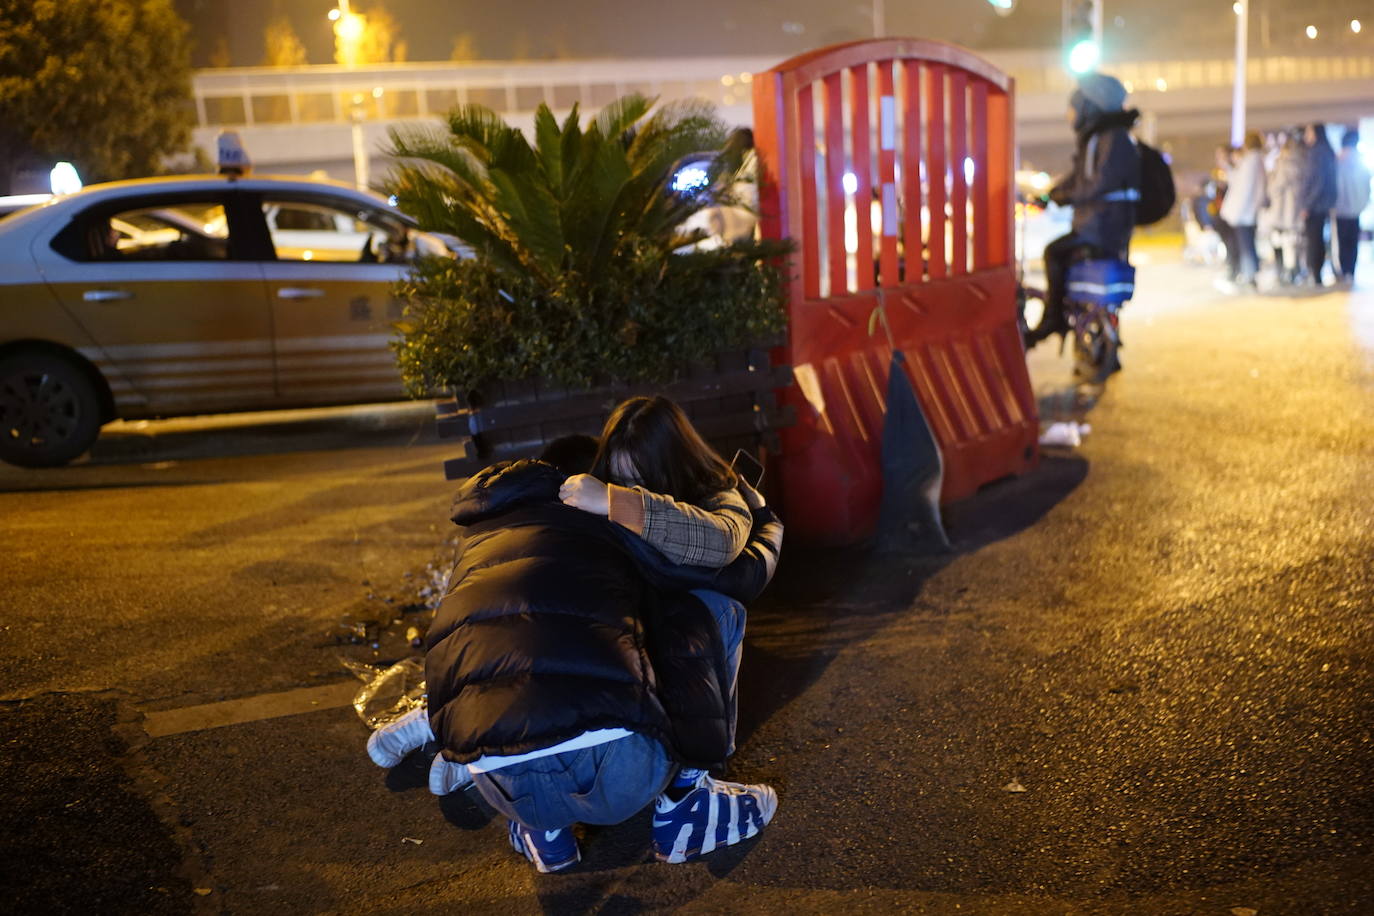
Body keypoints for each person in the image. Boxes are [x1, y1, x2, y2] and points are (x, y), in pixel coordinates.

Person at [366, 433, 783, 873]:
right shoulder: (601, 516)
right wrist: (762, 515)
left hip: (502, 789)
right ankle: (687, 808)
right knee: (711, 610)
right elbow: (731, 577)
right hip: (616, 780)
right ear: (587, 481)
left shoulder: (476, 540)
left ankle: (545, 835)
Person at [1027, 72, 1142, 347]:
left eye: (1073, 108)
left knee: (1053, 252)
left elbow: (1097, 183)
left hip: (1104, 226)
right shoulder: (1099, 138)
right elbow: (1079, 177)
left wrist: (1066, 197)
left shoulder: (1111, 139)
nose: (1070, 115)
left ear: (1089, 108)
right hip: (1101, 223)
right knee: (1074, 262)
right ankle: (1094, 333)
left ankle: (1053, 319)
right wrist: (1049, 195)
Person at [1219, 131, 1267, 291]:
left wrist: (1238, 210)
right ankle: (1250, 274)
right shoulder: (1254, 161)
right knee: (1247, 243)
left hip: (1244, 212)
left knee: (1246, 244)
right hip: (1247, 211)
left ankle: (1250, 275)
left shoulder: (1251, 161)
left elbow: (1244, 188)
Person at [1264, 130, 1306, 285]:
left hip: (1282, 210)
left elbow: (1275, 187)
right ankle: (1295, 270)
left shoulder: (1283, 162)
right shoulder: (1303, 161)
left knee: (1281, 241)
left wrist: (1270, 182)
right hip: (1295, 209)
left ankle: (1284, 272)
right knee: (1294, 242)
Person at [1299, 123, 1338, 287]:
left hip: (1315, 205)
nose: (1306, 136)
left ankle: (1315, 273)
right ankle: (1316, 273)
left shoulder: (1317, 152)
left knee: (1313, 240)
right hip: (1323, 203)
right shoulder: (1326, 151)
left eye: (1308, 132)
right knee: (1318, 239)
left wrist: (1307, 204)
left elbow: (1316, 182)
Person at [1333, 128, 1371, 286]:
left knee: (1342, 241)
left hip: (1340, 208)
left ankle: (1344, 271)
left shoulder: (1338, 160)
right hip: (1356, 209)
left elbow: (1334, 185)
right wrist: (1362, 204)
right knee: (1352, 241)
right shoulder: (1360, 160)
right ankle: (1351, 272)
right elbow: (1366, 186)